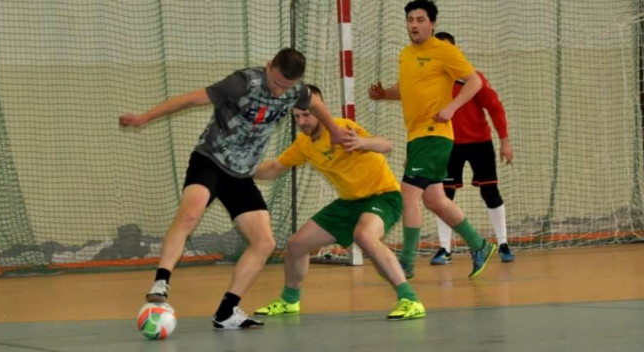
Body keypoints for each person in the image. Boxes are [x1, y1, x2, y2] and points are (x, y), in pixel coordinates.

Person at [119, 48, 352, 330]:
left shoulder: (296, 91)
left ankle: (226, 312)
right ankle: (161, 282)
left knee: (264, 242)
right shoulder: (241, 83)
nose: (279, 92)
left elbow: (316, 105)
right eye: (276, 83)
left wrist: (334, 131)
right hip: (210, 161)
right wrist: (145, 117)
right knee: (190, 214)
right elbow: (189, 99)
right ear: (268, 66)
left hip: (241, 174)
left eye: (286, 87)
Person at [253, 85, 425, 320]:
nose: (302, 121)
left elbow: (387, 145)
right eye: (297, 116)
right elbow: (274, 167)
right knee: (296, 245)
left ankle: (410, 300)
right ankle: (289, 301)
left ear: (320, 109)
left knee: (364, 236)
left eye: (307, 114)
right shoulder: (303, 144)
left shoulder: (341, 128)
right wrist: (243, 171)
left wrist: (363, 143)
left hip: (383, 195)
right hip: (349, 202)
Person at [368, 0, 496, 280]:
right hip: (417, 136)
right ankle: (479, 245)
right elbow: (408, 88)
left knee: (408, 195)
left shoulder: (444, 51)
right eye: (410, 20)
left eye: (420, 19)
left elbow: (474, 81)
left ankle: (406, 263)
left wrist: (452, 107)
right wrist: (385, 94)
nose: (414, 25)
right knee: (435, 200)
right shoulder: (406, 54)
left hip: (434, 133)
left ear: (433, 23)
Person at [430, 31, 515, 266]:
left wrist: (505, 141)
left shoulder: (473, 79)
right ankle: (444, 249)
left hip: (479, 143)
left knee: (490, 192)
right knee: (443, 195)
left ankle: (503, 243)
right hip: (448, 145)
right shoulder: (432, 84)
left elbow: (495, 108)